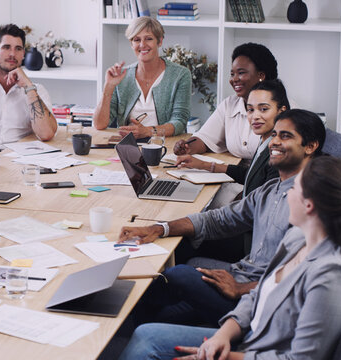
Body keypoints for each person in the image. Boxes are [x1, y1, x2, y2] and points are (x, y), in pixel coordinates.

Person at [120, 156, 341, 360]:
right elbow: (257, 296)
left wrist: (228, 356)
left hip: (259, 350)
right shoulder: (295, 241)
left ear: (308, 205)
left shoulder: (331, 276)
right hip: (249, 337)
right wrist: (223, 334)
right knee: (146, 333)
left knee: (149, 342)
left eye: (294, 189)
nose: (285, 193)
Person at [117, 109, 326, 327]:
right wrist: (158, 228)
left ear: (310, 146)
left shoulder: (310, 203)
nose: (274, 142)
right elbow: (220, 219)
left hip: (258, 298)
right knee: (153, 314)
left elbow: (302, 276)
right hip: (240, 275)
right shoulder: (270, 189)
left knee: (177, 275)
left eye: (286, 136)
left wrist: (241, 289)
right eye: (274, 135)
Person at [175, 79, 289, 197]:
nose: (255, 116)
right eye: (250, 109)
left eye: (264, 109)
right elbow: (251, 175)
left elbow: (264, 203)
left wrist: (236, 206)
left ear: (281, 111)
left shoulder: (279, 155)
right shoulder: (266, 141)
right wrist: (204, 165)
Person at [175, 43, 278, 160]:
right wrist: (187, 147)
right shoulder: (230, 104)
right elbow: (205, 137)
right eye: (232, 74)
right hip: (236, 173)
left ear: (261, 75)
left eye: (241, 73)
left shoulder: (280, 107)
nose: (234, 79)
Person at [93, 16, 191, 139]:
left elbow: (179, 122)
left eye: (149, 39)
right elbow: (99, 124)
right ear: (131, 44)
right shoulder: (122, 76)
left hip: (164, 145)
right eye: (136, 40)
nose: (142, 45)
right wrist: (109, 87)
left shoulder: (180, 75)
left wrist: (148, 131)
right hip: (128, 146)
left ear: (159, 41)